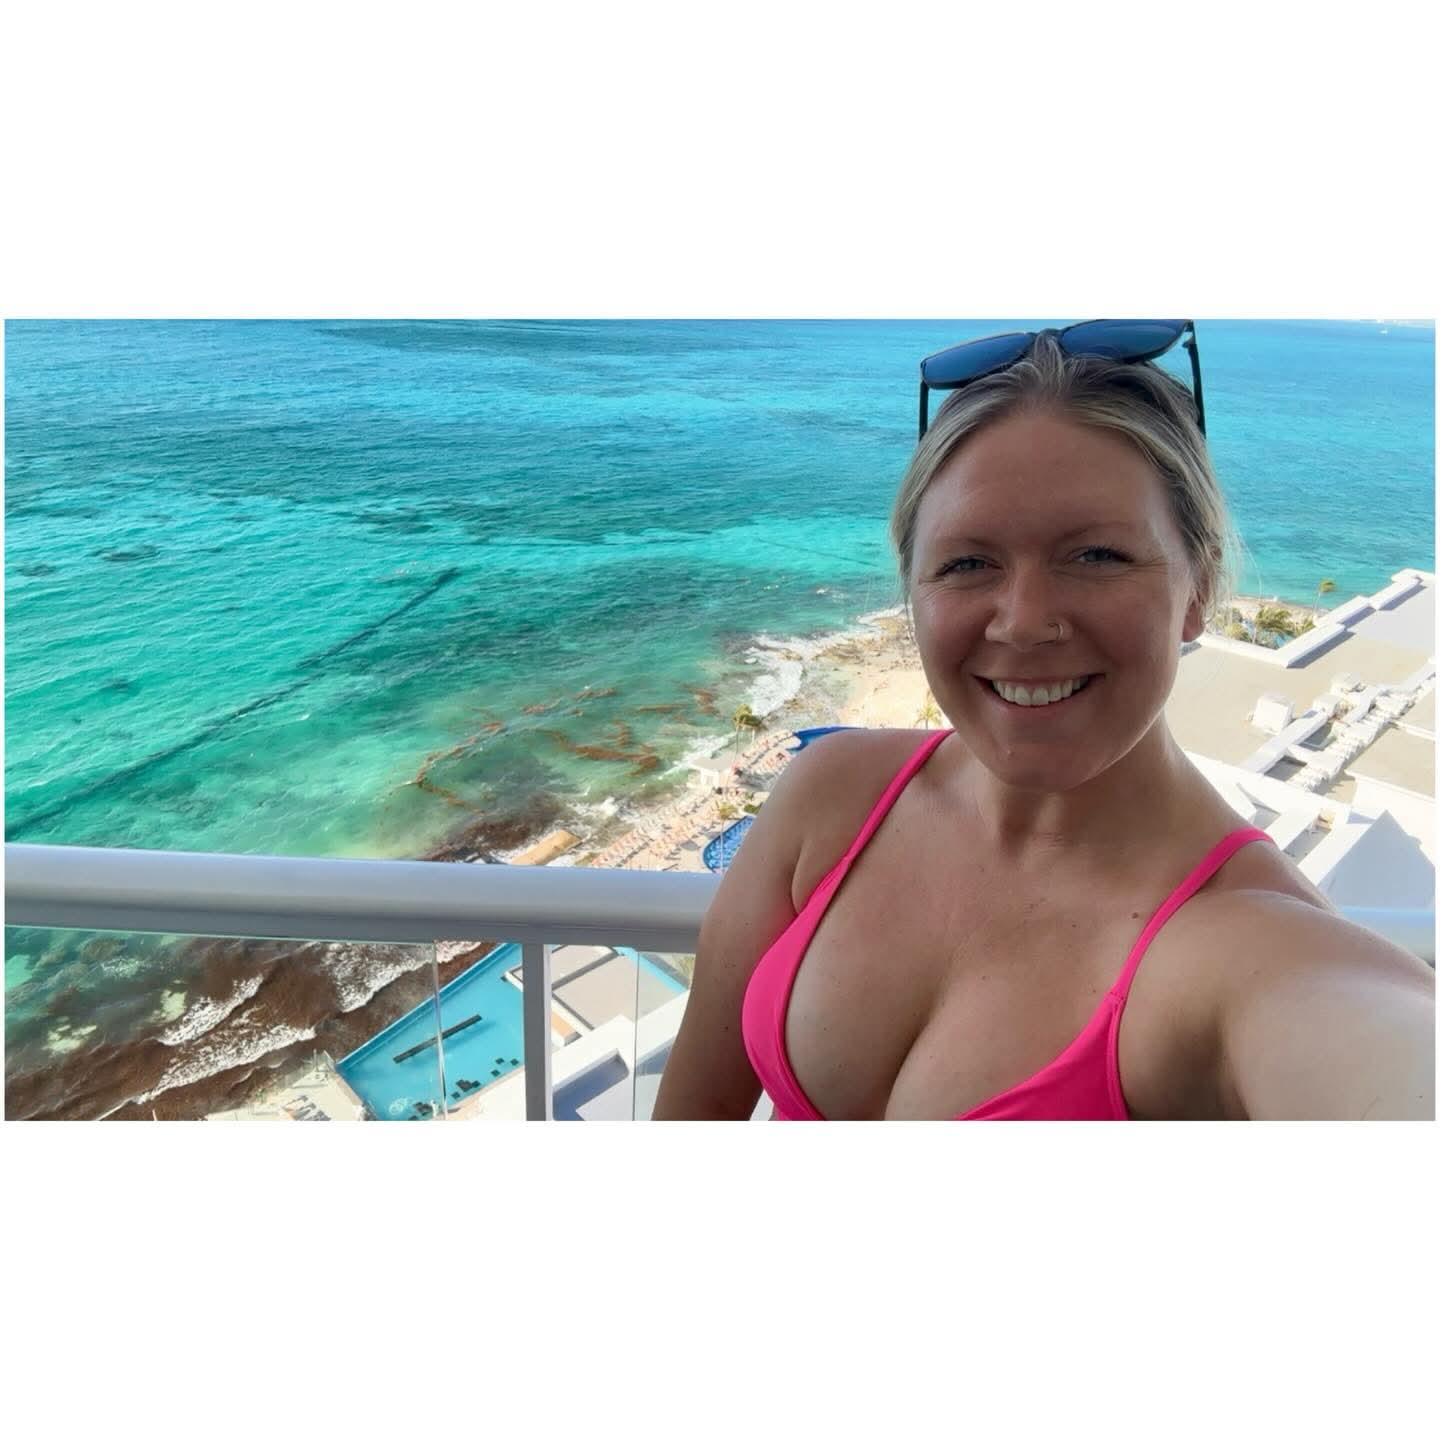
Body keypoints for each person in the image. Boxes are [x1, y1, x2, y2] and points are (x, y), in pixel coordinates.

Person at [653, 323, 1434, 1120]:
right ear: (913, 590)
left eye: (1096, 556)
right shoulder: (830, 796)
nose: (1024, 623)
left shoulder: (1250, 947)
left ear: (1198, 590)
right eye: (967, 563)